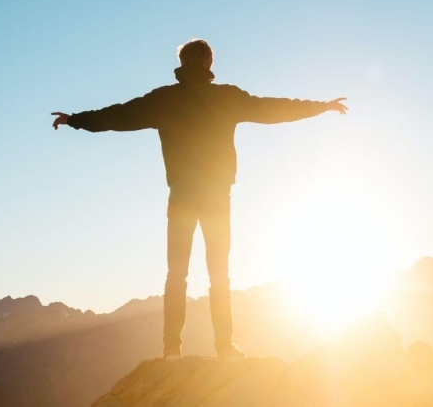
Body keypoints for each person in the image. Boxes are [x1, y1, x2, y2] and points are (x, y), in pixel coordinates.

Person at [51, 39, 347, 361]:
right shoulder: (227, 98)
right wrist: (321, 106)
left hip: (182, 196)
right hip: (218, 196)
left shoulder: (165, 99)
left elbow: (118, 116)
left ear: (182, 62)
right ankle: (224, 348)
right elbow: (274, 108)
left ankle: (171, 349)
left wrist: (74, 119)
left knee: (176, 272)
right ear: (208, 64)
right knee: (219, 271)